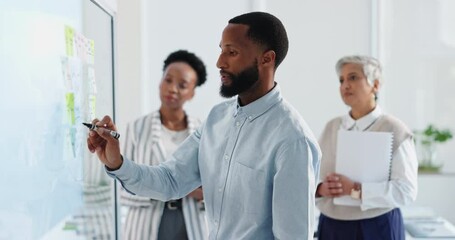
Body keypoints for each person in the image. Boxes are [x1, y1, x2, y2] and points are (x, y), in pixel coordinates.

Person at [87, 11, 321, 239]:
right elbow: (171, 180)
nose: (220, 62)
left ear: (267, 58)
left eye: (232, 52)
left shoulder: (293, 140)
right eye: (221, 50)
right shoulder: (217, 118)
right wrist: (116, 163)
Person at [315, 55, 418, 239]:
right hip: (332, 226)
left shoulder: (395, 129)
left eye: (353, 77)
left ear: (375, 85)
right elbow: (312, 173)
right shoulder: (331, 127)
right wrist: (321, 188)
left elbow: (406, 191)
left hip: (378, 226)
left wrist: (356, 190)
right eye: (341, 80)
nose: (345, 85)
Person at [120, 50, 208, 240]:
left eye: (182, 85)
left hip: (190, 222)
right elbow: (121, 188)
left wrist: (198, 193)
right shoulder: (136, 129)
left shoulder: (204, 132)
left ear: (192, 93)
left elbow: (214, 188)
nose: (173, 89)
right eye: (168, 80)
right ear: (160, 82)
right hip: (145, 224)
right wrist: (160, 188)